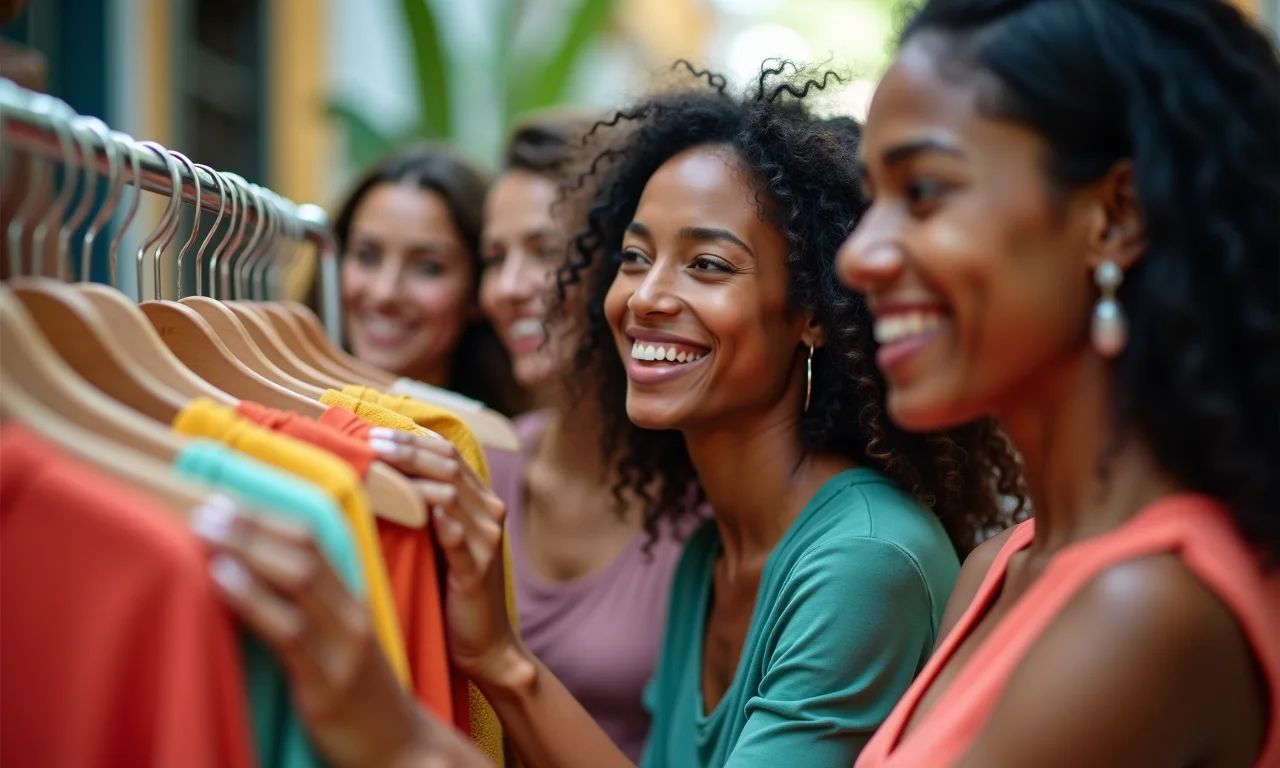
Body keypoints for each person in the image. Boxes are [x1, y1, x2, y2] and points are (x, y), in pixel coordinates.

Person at [193, 61, 1027, 768]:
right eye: (633, 259)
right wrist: (492, 655)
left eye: (707, 263)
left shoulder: (864, 559)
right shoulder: (710, 548)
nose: (647, 298)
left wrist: (444, 699)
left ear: (812, 309)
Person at [839, 1, 1280, 767]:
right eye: (872, 197)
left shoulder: (1142, 612)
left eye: (925, 193)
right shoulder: (1000, 567)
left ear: (1115, 216)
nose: (859, 257)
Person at [480, 113, 697, 762]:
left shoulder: (706, 498)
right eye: (494, 257)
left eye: (545, 251)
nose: (509, 288)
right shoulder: (477, 459)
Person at [331, 143, 527, 415]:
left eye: (428, 267)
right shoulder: (268, 418)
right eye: (367, 256)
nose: (384, 293)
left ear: (476, 290)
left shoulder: (509, 451)